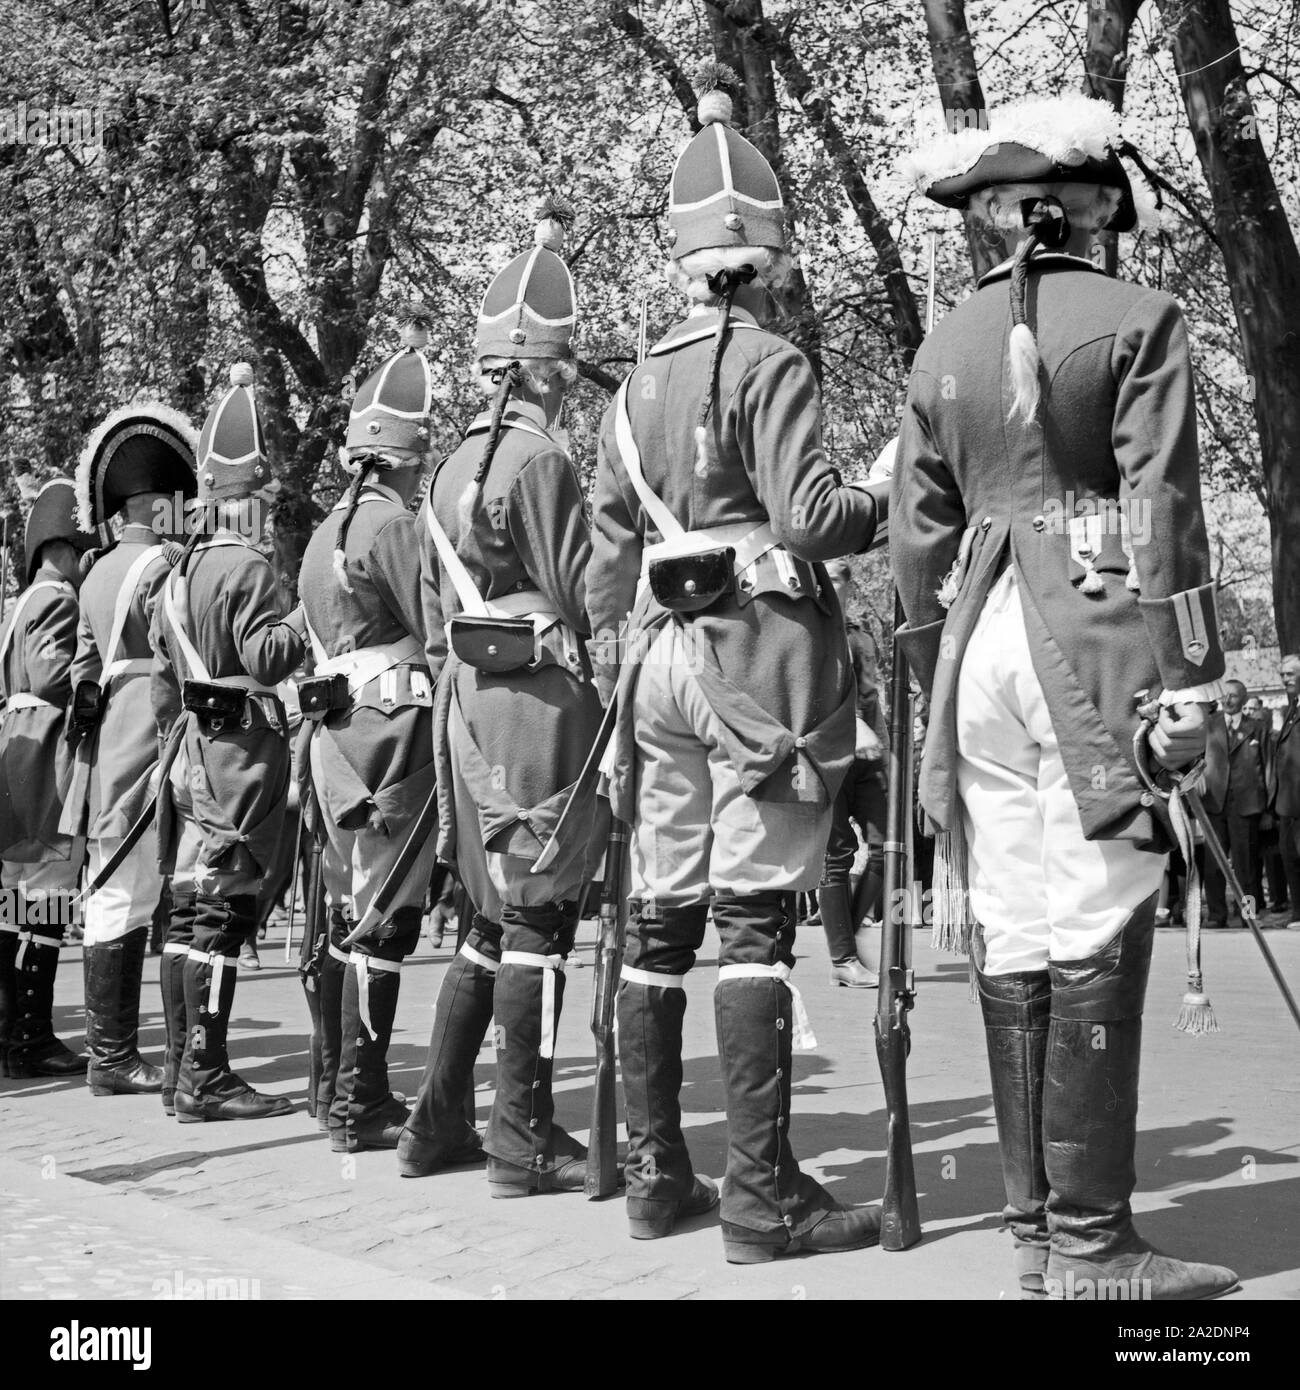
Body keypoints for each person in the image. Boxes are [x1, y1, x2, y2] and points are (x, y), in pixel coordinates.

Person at [894, 94, 1237, 1300]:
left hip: (974, 652)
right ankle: (1095, 1248)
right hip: (1084, 647)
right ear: (1091, 208)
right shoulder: (1140, 316)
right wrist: (1188, 676)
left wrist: (932, 683)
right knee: (1095, 914)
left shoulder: (939, 345)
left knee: (1018, 923)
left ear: (995, 220)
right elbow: (1161, 513)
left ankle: (1034, 1234)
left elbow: (914, 545)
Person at [585, 67, 886, 1260]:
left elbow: (606, 570)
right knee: (753, 925)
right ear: (764, 249)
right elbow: (810, 518)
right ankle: (761, 1200)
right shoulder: (769, 359)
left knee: (660, 921)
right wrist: (881, 496)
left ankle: (660, 1177)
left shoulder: (627, 388)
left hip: (656, 660)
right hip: (752, 656)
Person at [398, 198, 604, 1190]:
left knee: (489, 918)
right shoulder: (545, 456)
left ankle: (436, 1122)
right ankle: (519, 1137)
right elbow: (581, 592)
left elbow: (440, 602)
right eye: (564, 371)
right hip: (534, 695)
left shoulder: (444, 467)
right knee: (539, 916)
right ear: (545, 370)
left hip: (466, 700)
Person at [151, 364, 306, 1122]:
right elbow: (269, 657)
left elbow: (160, 664)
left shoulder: (176, 571)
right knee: (221, 916)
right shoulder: (246, 565)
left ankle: (186, 1068)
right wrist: (302, 618)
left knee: (187, 915)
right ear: (249, 495)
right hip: (237, 752)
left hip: (189, 750)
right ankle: (205, 1077)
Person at [298, 318, 438, 1153]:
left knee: (353, 911)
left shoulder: (323, 532)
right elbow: (434, 624)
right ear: (410, 454)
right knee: (387, 917)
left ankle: (340, 1089)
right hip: (389, 727)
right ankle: (361, 1099)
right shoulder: (394, 526)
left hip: (333, 733)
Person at [70, 405, 197, 1099]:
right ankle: (113, 1057)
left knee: (116, 893)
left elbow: (83, 673)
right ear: (159, 505)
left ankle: (111, 1051)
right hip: (147, 735)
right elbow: (175, 662)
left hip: (105, 741)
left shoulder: (93, 574)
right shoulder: (162, 569)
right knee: (132, 894)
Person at [0, 480, 96, 1076]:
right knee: (46, 899)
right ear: (61, 546)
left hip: (17, 757)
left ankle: (14, 1031)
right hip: (45, 766)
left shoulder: (20, 604)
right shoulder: (57, 599)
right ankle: (30, 1035)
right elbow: (50, 676)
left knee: (14, 904)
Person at [816, 559, 886, 987]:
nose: (838, 580)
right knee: (836, 855)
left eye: (844, 574)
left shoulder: (860, 634)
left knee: (888, 845)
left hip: (870, 755)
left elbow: (872, 694)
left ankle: (849, 929)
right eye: (831, 573)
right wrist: (849, 725)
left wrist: (886, 748)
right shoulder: (805, 629)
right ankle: (843, 958)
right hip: (825, 755)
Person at [1204, 679, 1270, 927]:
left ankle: (1248, 914)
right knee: (1213, 865)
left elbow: (1266, 767)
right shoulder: (1209, 725)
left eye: (1233, 696)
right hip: (1215, 803)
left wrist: (1266, 808)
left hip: (1246, 805)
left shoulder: (1257, 728)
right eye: (1225, 695)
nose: (1227, 700)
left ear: (1243, 699)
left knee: (1247, 868)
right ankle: (1215, 915)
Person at [1269, 654, 1300, 928]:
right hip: (1287, 803)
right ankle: (1298, 915)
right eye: (1282, 674)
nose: (1284, 679)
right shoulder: (1292, 709)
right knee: (1290, 858)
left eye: (1290, 673)